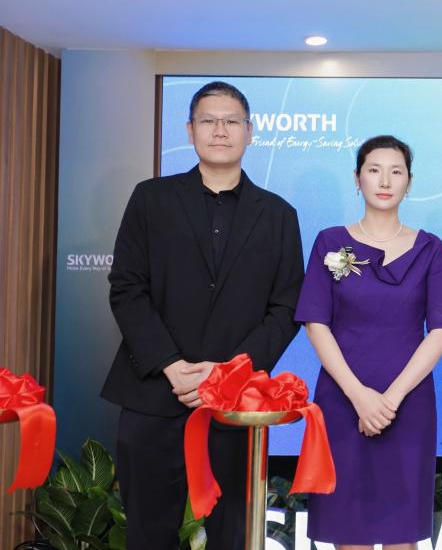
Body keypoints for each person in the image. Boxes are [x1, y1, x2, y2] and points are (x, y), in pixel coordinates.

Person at [101, 81, 304, 549]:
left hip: (236, 407)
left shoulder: (279, 215)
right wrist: (171, 364)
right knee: (148, 534)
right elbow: (127, 288)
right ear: (190, 130)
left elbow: (287, 307)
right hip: (154, 394)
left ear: (250, 131)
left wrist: (228, 373)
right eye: (208, 121)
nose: (220, 131)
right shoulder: (151, 199)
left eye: (231, 121)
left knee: (234, 534)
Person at [295, 135, 442, 549]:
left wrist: (390, 400)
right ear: (357, 179)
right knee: (348, 532)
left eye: (396, 171)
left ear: (409, 182)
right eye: (374, 170)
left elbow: (441, 330)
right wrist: (359, 396)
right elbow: (315, 324)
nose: (385, 181)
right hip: (342, 400)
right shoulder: (330, 242)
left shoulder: (430, 248)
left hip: (408, 404)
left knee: (402, 534)